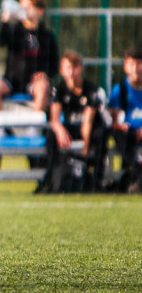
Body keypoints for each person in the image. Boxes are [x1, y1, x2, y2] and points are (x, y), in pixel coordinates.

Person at [45, 50, 107, 192]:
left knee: (101, 133)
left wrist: (86, 142)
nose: (71, 72)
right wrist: (60, 130)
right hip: (69, 129)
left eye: (74, 68)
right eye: (67, 68)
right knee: (51, 135)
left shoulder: (91, 90)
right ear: (61, 70)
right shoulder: (59, 89)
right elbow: (55, 119)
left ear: (80, 68)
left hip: (87, 129)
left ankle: (97, 180)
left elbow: (88, 120)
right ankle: (53, 177)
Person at [0, 0, 59, 114]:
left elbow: (55, 64)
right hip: (11, 81)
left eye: (28, 7)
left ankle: (33, 128)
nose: (23, 10)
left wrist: (45, 74)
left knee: (43, 87)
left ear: (40, 10)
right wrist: (5, 21)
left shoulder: (47, 36)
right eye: (21, 6)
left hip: (33, 83)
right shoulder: (14, 30)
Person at [109, 47, 142, 193]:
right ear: (125, 67)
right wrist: (120, 126)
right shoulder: (120, 89)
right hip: (129, 133)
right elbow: (114, 121)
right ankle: (138, 175)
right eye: (132, 64)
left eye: (139, 64)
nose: (136, 68)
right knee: (120, 135)